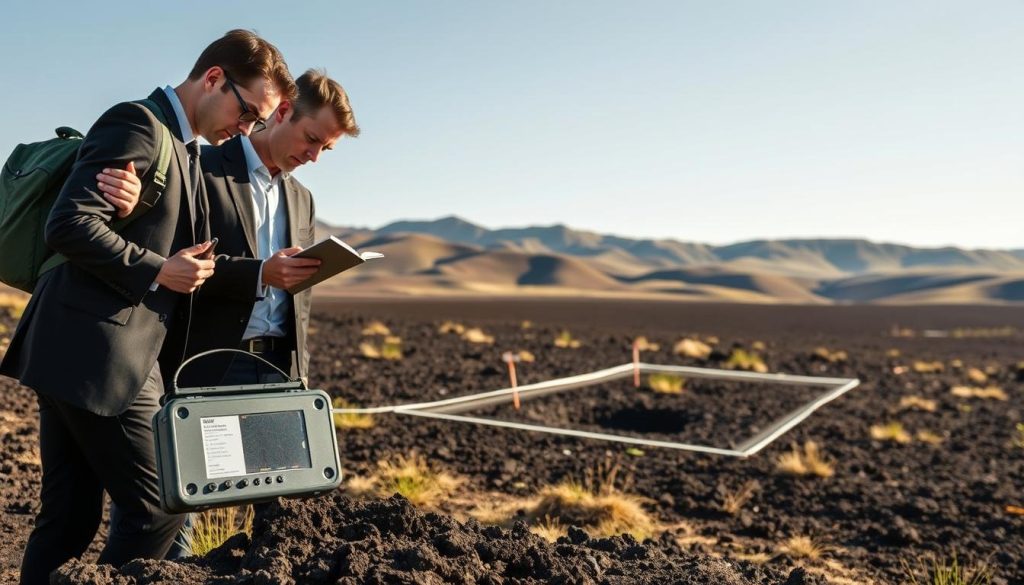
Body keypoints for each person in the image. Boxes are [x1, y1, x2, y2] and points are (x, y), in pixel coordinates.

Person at [0, 30, 295, 585]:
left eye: (259, 123)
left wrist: (260, 269)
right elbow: (68, 224)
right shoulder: (138, 122)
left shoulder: (184, 149)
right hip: (100, 350)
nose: (248, 129)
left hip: (84, 349)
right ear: (213, 79)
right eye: (249, 111)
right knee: (163, 504)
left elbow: (187, 253)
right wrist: (158, 267)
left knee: (68, 519)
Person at [166, 68, 360, 389]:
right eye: (311, 139)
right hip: (210, 366)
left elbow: (302, 303)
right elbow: (175, 264)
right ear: (283, 112)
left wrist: (301, 371)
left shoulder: (303, 199)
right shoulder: (200, 168)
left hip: (282, 370)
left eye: (324, 149)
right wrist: (260, 274)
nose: (313, 158)